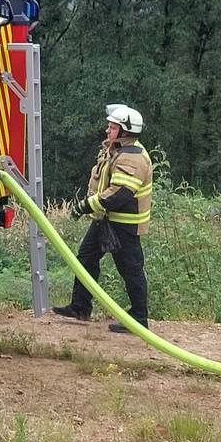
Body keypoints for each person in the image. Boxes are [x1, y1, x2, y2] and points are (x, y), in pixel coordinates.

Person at [53, 104, 155, 333]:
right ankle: (80, 307)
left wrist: (85, 205)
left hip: (124, 224)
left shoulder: (133, 158)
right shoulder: (116, 149)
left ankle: (139, 318)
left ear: (126, 131)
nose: (107, 130)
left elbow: (118, 195)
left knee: (130, 269)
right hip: (106, 219)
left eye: (113, 127)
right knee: (86, 257)